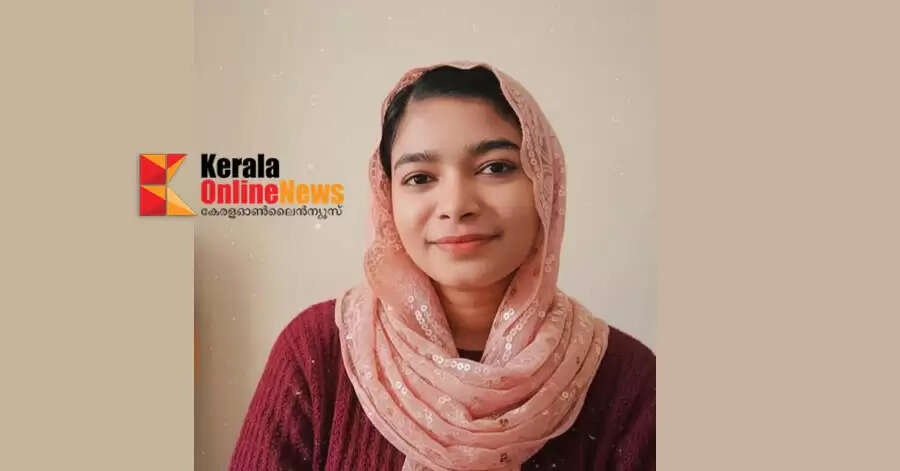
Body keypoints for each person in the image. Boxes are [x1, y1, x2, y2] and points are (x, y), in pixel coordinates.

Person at [229, 61, 655, 471]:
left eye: (496, 168)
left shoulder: (626, 378)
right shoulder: (317, 352)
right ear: (387, 198)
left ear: (545, 184)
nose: (456, 205)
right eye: (420, 177)